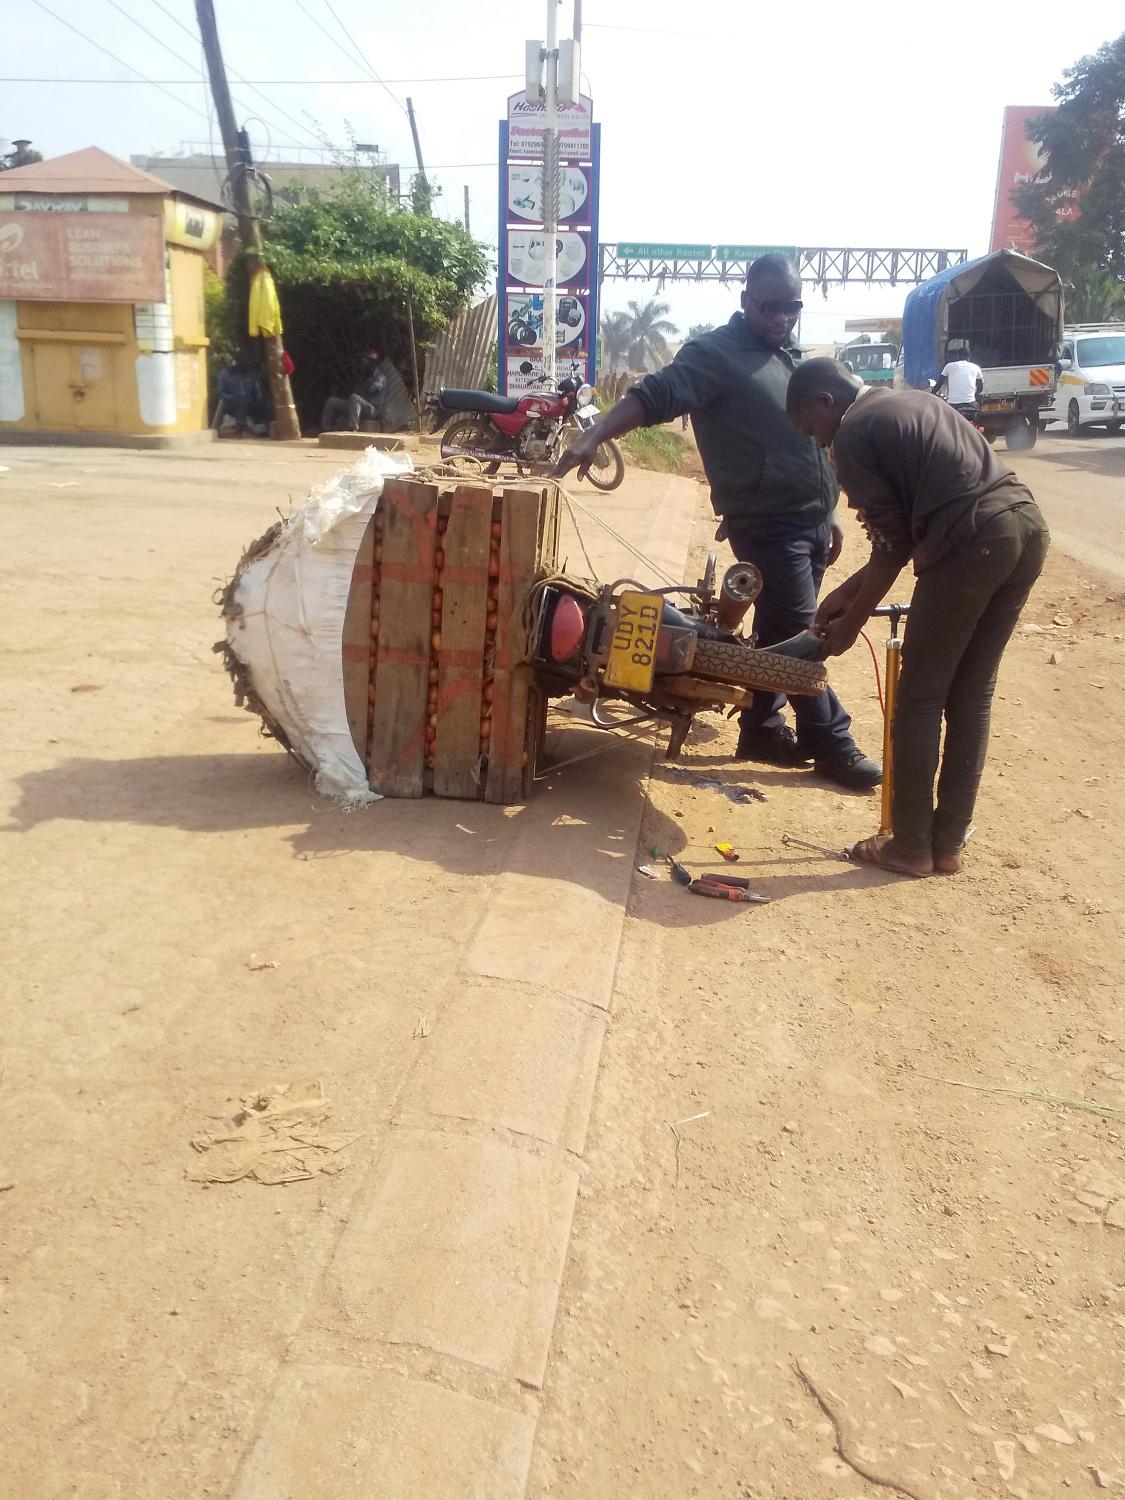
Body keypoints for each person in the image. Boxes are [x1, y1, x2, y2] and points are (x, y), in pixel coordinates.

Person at [554, 254, 880, 791]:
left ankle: (761, 729)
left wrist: (828, 512)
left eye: (791, 306)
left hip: (811, 523)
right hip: (767, 524)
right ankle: (832, 743)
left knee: (780, 630)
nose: (781, 317)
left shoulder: (792, 357)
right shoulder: (716, 355)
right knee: (806, 635)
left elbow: (813, 441)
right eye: (769, 306)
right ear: (746, 300)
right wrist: (596, 435)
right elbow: (653, 395)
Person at [785, 358, 1050, 877]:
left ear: (824, 403)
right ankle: (946, 844)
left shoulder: (855, 433)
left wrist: (850, 624)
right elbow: (899, 538)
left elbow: (890, 546)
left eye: (810, 430)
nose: (818, 444)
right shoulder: (905, 402)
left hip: (972, 542)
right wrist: (846, 592)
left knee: (920, 699)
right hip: (1025, 529)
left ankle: (909, 845)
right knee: (971, 695)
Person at [320, 351, 389, 433]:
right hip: (359, 407)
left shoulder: (381, 377)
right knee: (331, 401)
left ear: (373, 364)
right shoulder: (364, 376)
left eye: (366, 362)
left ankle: (353, 428)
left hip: (373, 410)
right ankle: (325, 429)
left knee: (354, 397)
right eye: (363, 362)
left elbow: (371, 389)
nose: (363, 364)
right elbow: (356, 393)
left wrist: (362, 381)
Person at [216, 349, 272, 436]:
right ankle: (240, 430)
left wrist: (259, 400)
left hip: (249, 403)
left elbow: (257, 392)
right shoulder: (226, 373)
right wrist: (232, 399)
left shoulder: (250, 374)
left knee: (267, 405)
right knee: (242, 401)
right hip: (232, 405)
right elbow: (221, 392)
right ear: (236, 361)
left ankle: (270, 429)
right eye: (241, 361)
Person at [932, 346, 984, 419]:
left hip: (953, 405)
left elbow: (939, 384)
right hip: (971, 404)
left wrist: (932, 394)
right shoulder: (976, 367)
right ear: (969, 357)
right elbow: (980, 388)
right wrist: (975, 394)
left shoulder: (949, 366)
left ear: (957, 356)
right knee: (977, 416)